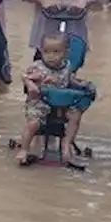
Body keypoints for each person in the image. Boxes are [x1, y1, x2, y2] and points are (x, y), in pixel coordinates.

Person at [16, 33, 89, 169]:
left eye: (56, 52)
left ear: (66, 53)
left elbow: (70, 80)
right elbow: (25, 76)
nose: (51, 56)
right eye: (46, 52)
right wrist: (30, 84)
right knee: (33, 123)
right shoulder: (38, 67)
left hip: (63, 105)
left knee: (75, 115)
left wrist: (82, 85)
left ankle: (66, 146)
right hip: (39, 103)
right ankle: (24, 149)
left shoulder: (67, 66)